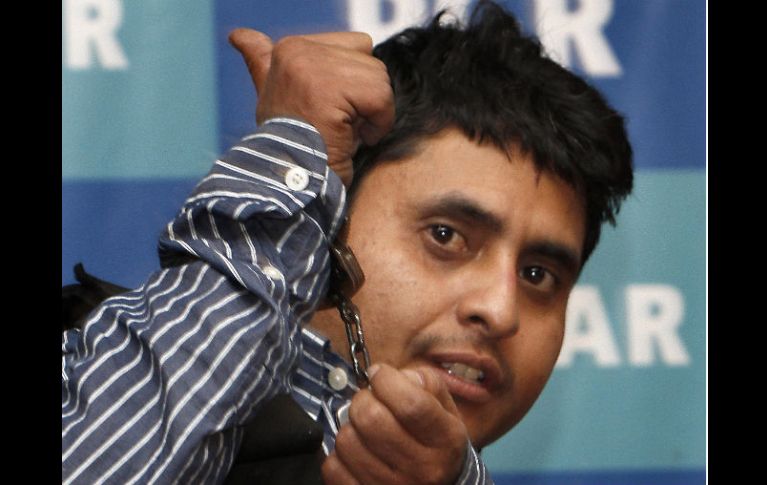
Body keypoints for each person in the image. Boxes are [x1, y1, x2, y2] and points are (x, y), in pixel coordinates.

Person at [61, 1, 633, 483]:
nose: (500, 309)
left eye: (538, 275)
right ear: (329, 224)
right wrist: (290, 166)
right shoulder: (93, 365)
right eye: (446, 236)